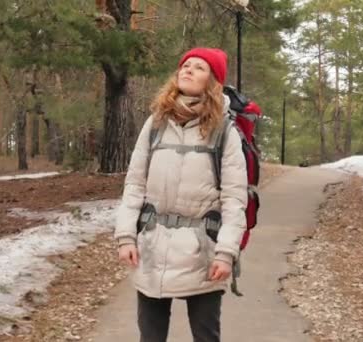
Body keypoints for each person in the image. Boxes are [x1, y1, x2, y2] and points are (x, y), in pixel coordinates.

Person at [113, 47, 247, 342]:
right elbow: (134, 184)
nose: (188, 70)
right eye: (185, 65)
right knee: (150, 337)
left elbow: (234, 201)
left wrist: (226, 254)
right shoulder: (156, 123)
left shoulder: (225, 132)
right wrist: (126, 236)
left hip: (202, 252)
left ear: (213, 82)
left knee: (206, 337)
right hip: (152, 247)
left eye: (199, 68)